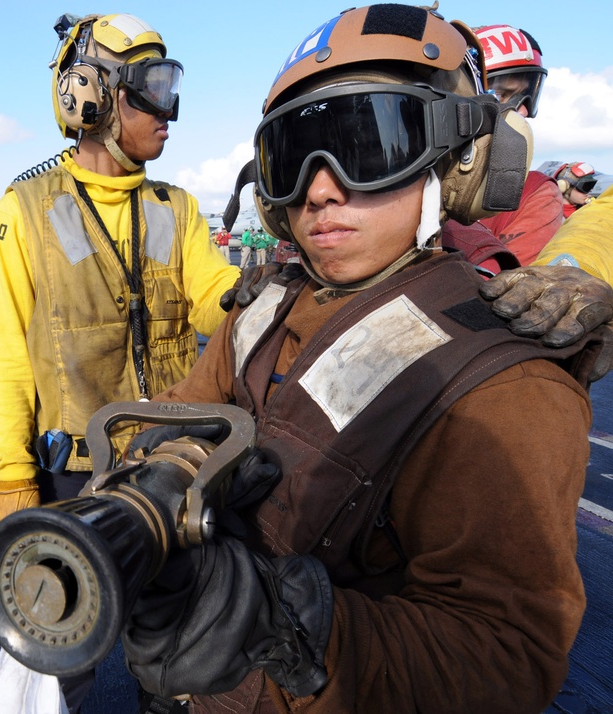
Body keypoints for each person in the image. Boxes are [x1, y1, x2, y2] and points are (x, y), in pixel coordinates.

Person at [119, 6, 602, 713]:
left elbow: (506, 655)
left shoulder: (501, 384)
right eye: (295, 156)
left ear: (461, 161)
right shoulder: (259, 309)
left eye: (367, 144)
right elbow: (185, 412)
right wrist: (161, 471)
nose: (321, 188)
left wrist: (287, 629)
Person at [0, 12, 238, 710]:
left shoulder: (173, 207)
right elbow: (3, 354)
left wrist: (264, 298)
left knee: (183, 652)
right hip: (76, 476)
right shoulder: (25, 210)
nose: (169, 112)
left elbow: (215, 294)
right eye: (150, 88)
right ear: (88, 96)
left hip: (168, 463)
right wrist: (13, 480)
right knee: (56, 652)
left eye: (171, 85)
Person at [441, 24, 565, 269]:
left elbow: (506, 290)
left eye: (527, 96)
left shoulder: (534, 191)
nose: (523, 112)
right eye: (500, 94)